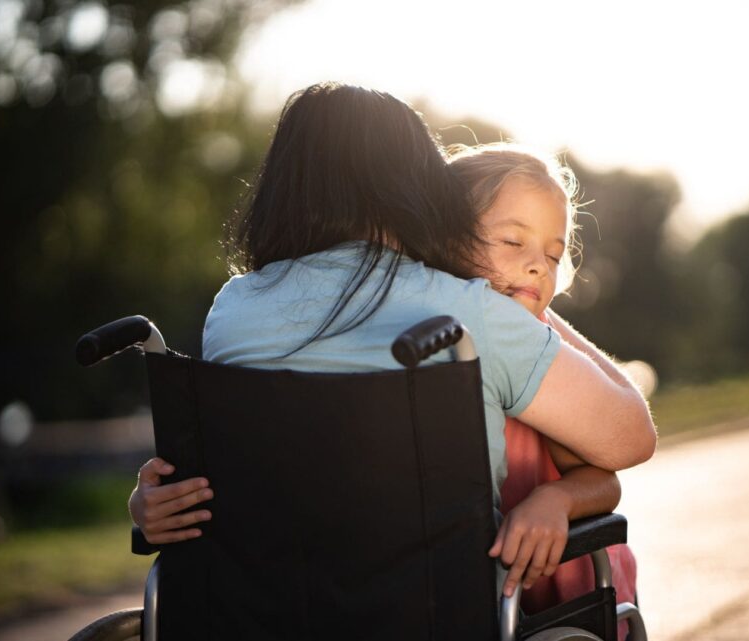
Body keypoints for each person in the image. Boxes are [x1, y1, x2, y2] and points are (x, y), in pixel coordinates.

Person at [128, 82, 655, 599]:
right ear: (412, 180)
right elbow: (630, 436)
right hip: (436, 612)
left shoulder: (232, 311)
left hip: (268, 613)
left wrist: (147, 500)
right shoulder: (466, 314)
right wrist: (525, 311)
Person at [448, 143, 638, 635]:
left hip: (571, 595)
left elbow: (604, 481)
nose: (538, 266)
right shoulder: (430, 340)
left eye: (553, 255)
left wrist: (556, 500)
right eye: (513, 243)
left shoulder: (539, 359)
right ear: (445, 237)